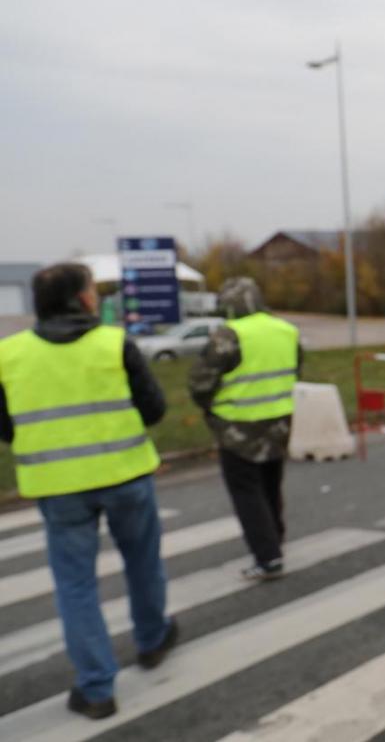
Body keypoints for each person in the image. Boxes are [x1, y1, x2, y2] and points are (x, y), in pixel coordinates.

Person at [0, 263, 178, 720]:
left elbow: (5, 428)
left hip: (59, 490)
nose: (97, 298)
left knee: (75, 586)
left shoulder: (8, 354)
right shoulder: (115, 344)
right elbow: (155, 410)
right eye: (92, 291)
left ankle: (97, 689)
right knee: (142, 564)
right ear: (81, 300)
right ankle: (152, 641)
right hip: (126, 477)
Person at [190, 278, 300, 582]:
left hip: (237, 429)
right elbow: (296, 369)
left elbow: (200, 383)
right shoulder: (286, 330)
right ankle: (275, 541)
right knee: (270, 486)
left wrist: (211, 407)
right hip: (279, 421)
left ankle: (267, 558)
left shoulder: (229, 336)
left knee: (246, 492)